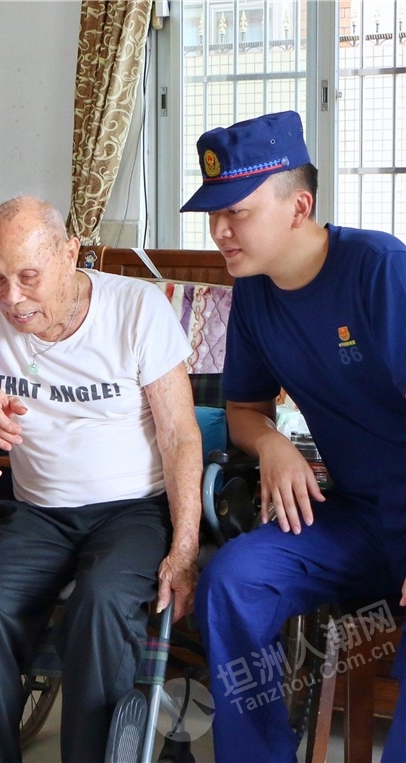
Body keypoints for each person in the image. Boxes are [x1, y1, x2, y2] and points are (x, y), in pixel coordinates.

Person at [0, 196, 203, 762]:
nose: (11, 298)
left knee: (102, 601)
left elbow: (180, 436)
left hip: (133, 510)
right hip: (35, 510)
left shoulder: (136, 309)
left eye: (29, 277)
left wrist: (184, 551)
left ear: (69, 254)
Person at [182, 111, 406, 762]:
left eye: (238, 212)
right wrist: (272, 444)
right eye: (214, 213)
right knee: (234, 580)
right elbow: (244, 408)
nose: (220, 230)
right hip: (357, 517)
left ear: (299, 207)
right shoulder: (254, 293)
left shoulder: (381, 272)